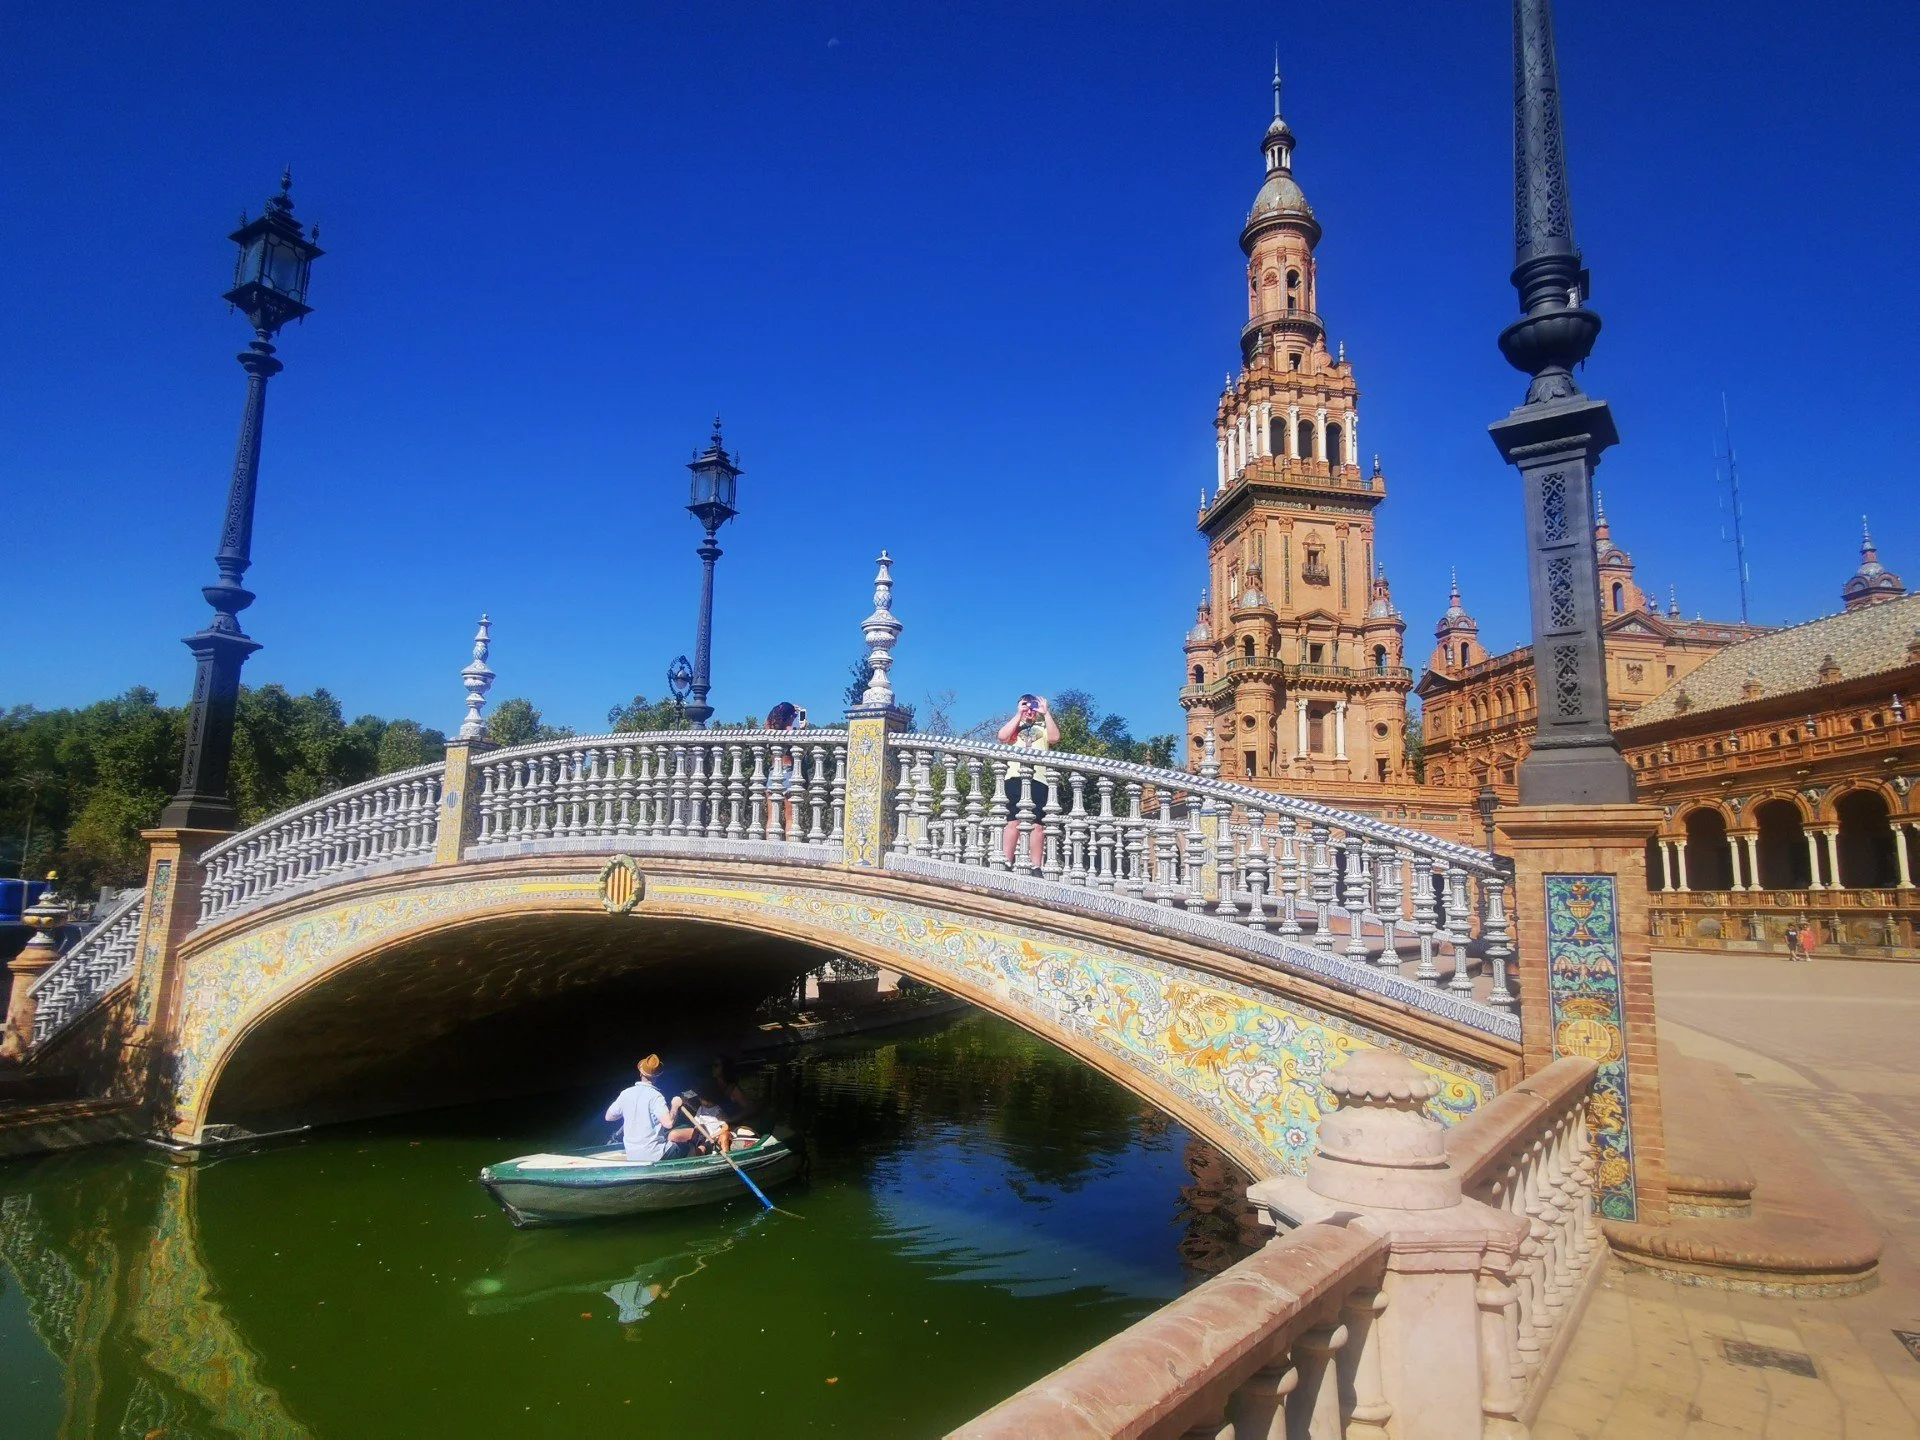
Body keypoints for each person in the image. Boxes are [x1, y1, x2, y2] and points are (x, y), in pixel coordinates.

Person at [997, 693, 1060, 869]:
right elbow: (1002, 737)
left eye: (1032, 707)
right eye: (1026, 706)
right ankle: (1007, 862)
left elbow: (1055, 738)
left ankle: (1036, 867)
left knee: (1037, 825)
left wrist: (1046, 713)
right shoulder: (1015, 729)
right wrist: (1019, 713)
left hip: (1039, 780)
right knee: (1013, 821)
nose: (1029, 710)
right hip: (1015, 778)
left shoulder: (1043, 728)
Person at [605, 1054, 697, 1163]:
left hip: (632, 1156)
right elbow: (668, 1124)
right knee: (689, 1146)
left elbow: (609, 1117)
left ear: (640, 1072)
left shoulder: (625, 1093)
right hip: (655, 1156)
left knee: (668, 1137)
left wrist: (629, 1111)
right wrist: (675, 1105)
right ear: (658, 1077)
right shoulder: (656, 1096)